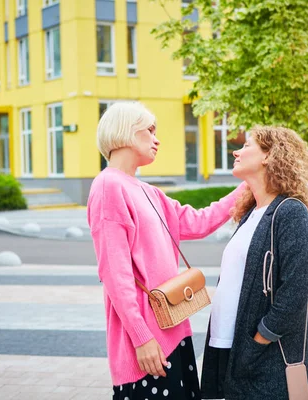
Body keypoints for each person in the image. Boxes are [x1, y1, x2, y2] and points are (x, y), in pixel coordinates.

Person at [87, 101, 245, 400]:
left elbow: (200, 222)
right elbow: (115, 274)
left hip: (175, 331)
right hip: (147, 343)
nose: (157, 139)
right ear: (125, 133)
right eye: (149, 130)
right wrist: (141, 338)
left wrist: (248, 184)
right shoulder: (108, 186)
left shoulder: (148, 191)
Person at [200, 126, 308, 400]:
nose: (236, 150)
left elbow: (295, 292)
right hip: (226, 344)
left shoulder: (290, 212)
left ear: (268, 156)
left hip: (262, 356)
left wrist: (260, 338)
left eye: (246, 145)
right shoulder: (251, 213)